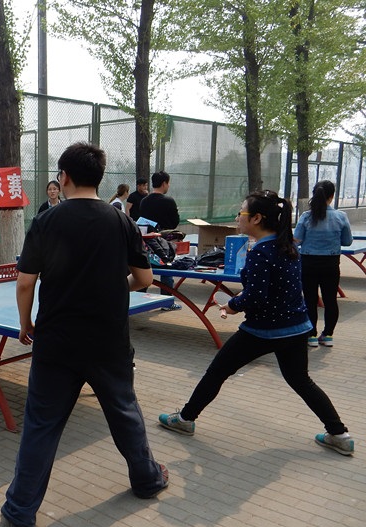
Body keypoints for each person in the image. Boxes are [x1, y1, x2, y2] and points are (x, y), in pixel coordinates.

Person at [0, 142, 169, 527]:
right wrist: (111, 288)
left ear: (64, 177)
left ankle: (21, 510)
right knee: (124, 412)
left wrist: (25, 323)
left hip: (56, 341)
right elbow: (144, 279)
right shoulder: (122, 222)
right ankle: (147, 479)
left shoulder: (47, 221)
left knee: (41, 424)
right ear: (99, 177)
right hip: (108, 341)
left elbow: (25, 283)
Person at [158, 190, 354, 456]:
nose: (237, 217)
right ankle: (340, 435)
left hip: (263, 330)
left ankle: (184, 419)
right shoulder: (287, 246)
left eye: (241, 212)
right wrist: (242, 299)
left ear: (257, 218)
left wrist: (232, 305)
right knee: (301, 381)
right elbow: (274, 289)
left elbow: (256, 296)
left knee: (217, 372)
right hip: (297, 328)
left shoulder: (261, 251)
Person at [294, 180, 352, 348]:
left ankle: (311, 335)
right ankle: (328, 335)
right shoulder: (341, 216)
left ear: (314, 194)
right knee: (330, 300)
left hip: (308, 263)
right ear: (332, 196)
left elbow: (297, 240)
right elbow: (347, 241)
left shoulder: (306, 216)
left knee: (310, 300)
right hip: (331, 264)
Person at [139, 171, 181, 311]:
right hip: (164, 241)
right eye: (168, 183)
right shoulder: (168, 201)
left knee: (145, 267)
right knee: (166, 269)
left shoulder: (144, 201)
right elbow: (174, 223)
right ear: (164, 183)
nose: (168, 186)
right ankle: (166, 302)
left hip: (147, 241)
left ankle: (139, 297)